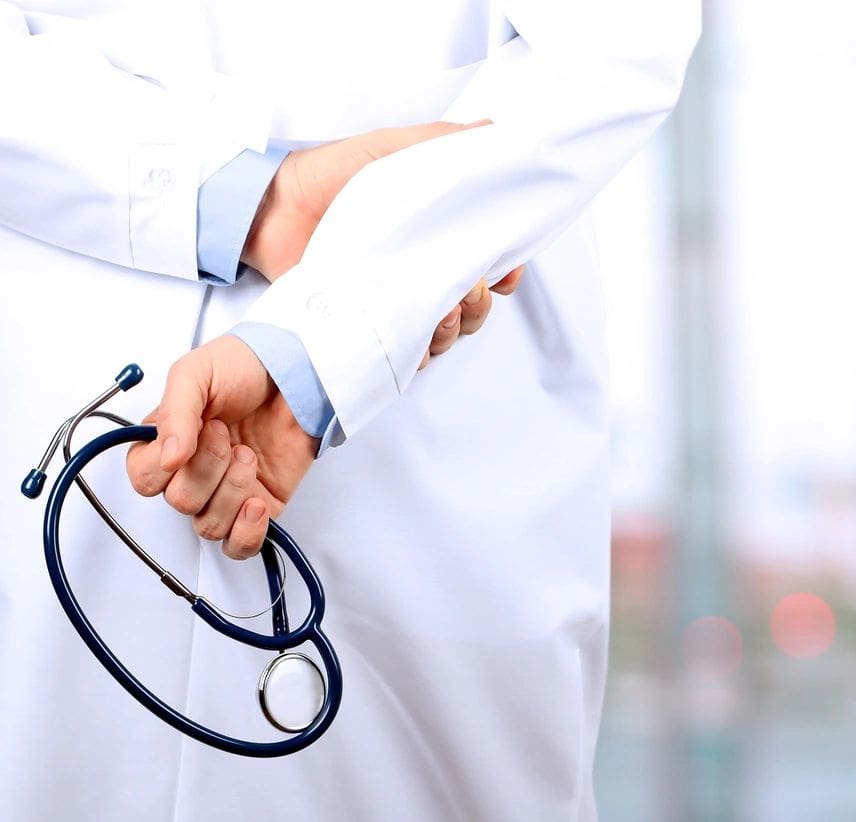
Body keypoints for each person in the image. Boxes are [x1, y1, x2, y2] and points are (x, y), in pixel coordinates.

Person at [0, 1, 698, 819]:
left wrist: (334, 322)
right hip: (57, 356)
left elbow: (614, 49)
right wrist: (252, 200)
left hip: (430, 441)